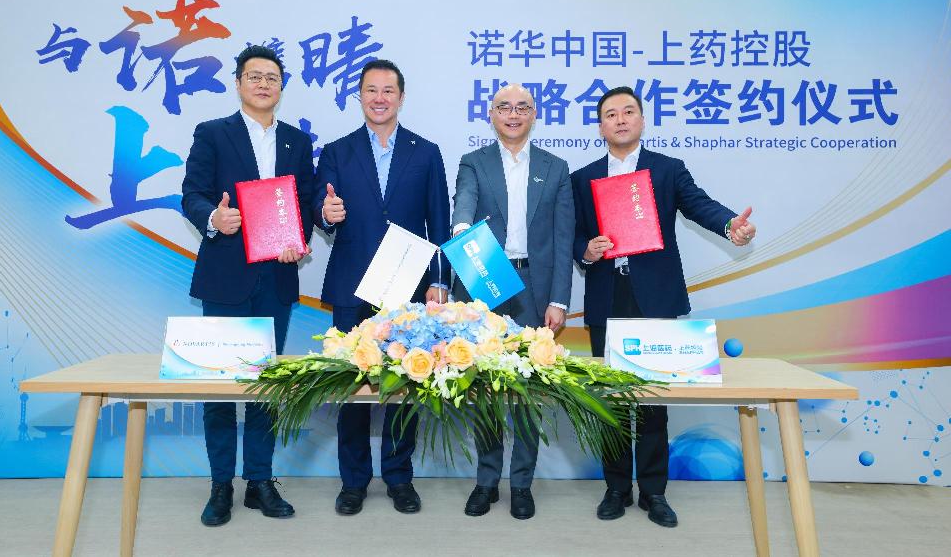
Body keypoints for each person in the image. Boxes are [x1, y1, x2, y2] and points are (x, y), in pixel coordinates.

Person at [570, 86, 756, 528]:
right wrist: (587, 251)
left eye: (628, 112)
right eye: (611, 114)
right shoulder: (583, 177)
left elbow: (699, 205)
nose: (620, 119)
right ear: (600, 126)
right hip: (607, 296)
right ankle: (616, 487)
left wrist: (730, 224)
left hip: (654, 297)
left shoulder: (668, 169)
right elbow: (572, 234)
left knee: (654, 399)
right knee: (611, 401)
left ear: (641, 120)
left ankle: (654, 492)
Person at [181, 45, 314, 527]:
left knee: (267, 386)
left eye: (272, 78)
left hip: (275, 278)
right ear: (238, 83)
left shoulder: (296, 142)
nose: (263, 84)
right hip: (226, 277)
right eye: (254, 76)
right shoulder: (213, 133)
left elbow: (304, 202)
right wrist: (213, 219)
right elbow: (192, 194)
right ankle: (221, 484)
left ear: (281, 88)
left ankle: (260, 480)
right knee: (218, 385)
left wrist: (299, 239)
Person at [315, 59, 451, 516]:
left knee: (405, 384)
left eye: (388, 90)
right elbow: (319, 206)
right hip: (353, 287)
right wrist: (325, 213)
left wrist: (439, 282)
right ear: (360, 96)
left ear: (401, 97)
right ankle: (353, 481)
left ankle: (398, 477)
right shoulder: (337, 151)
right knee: (351, 386)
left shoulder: (426, 152)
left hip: (408, 288)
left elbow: (439, 224)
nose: (379, 98)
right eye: (371, 90)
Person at [450, 83, 574, 520]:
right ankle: (486, 481)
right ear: (491, 114)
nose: (514, 114)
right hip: (485, 274)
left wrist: (559, 299)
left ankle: (521, 483)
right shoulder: (474, 161)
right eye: (504, 107)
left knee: (527, 389)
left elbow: (563, 239)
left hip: (534, 285)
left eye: (523, 107)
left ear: (534, 114)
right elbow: (464, 200)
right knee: (484, 384)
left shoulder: (556, 168)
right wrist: (462, 228)